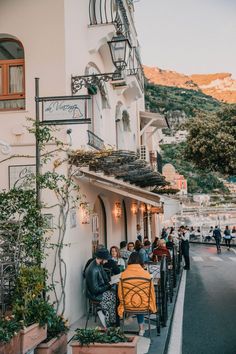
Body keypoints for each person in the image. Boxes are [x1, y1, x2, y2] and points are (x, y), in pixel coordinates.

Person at [118, 252, 157, 336]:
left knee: (134, 298)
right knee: (140, 299)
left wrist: (122, 303)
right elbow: (151, 292)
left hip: (128, 305)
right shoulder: (147, 275)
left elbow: (120, 294)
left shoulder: (123, 275)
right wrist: (152, 305)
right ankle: (141, 328)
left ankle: (128, 315)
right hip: (144, 304)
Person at [85, 248, 117, 328]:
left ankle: (112, 320)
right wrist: (109, 285)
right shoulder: (92, 270)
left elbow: (105, 277)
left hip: (101, 290)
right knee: (113, 296)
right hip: (95, 294)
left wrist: (112, 281)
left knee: (117, 293)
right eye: (106, 260)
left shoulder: (98, 264)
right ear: (102, 259)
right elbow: (95, 290)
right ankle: (109, 322)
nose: (106, 261)